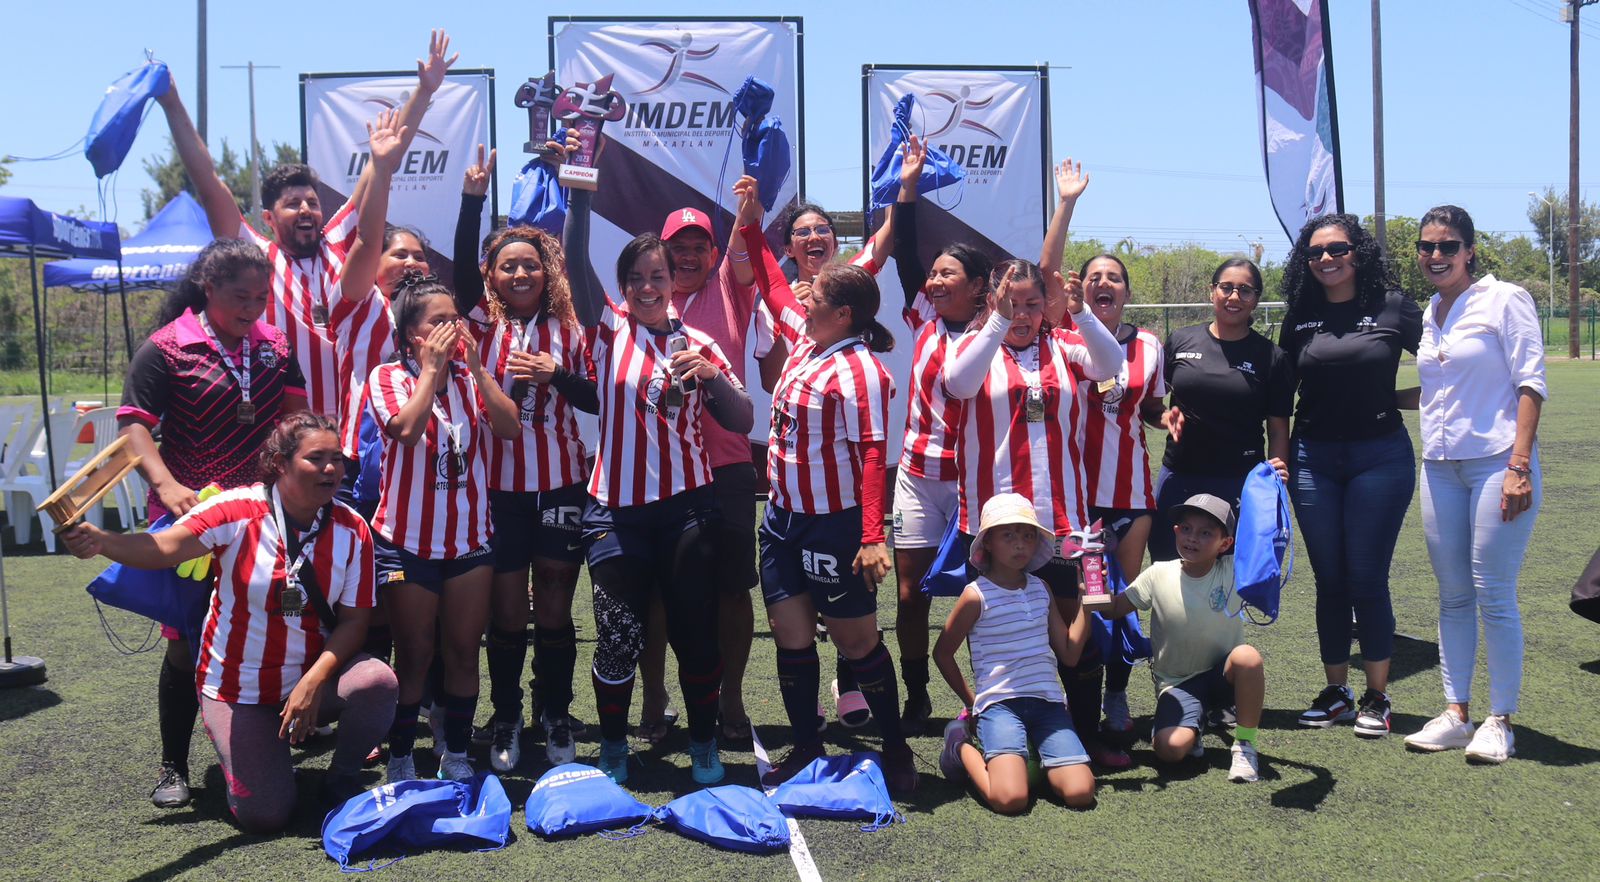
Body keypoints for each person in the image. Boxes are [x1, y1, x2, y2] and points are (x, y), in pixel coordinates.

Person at [63, 413, 396, 833]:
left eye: (337, 458)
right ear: (280, 463)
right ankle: (253, 757)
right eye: (316, 458)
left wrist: (312, 682)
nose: (331, 468)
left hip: (311, 679)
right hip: (239, 687)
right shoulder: (236, 509)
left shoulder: (353, 529)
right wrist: (102, 541)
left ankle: (342, 777)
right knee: (265, 816)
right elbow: (165, 548)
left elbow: (353, 624)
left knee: (376, 681)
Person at [155, 31, 454, 428]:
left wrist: (423, 92)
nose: (305, 210)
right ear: (269, 218)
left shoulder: (341, 241)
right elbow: (209, 183)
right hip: (286, 432)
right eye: (292, 204)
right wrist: (172, 103)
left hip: (358, 429)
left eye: (312, 202)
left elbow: (386, 157)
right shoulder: (255, 257)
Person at [565, 185, 755, 786]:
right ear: (623, 287)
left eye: (659, 275)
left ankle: (703, 745)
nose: (648, 286)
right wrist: (577, 196)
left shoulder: (697, 344)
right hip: (615, 510)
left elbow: (742, 419)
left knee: (696, 633)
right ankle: (615, 747)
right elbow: (573, 264)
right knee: (619, 633)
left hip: (688, 509)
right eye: (637, 277)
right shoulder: (608, 331)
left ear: (673, 282)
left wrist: (712, 380)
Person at [732, 176, 915, 794]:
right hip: (782, 521)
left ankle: (894, 749)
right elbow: (770, 278)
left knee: (859, 641)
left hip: (835, 526)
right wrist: (753, 221)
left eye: (816, 300)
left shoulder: (860, 368)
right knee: (789, 635)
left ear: (844, 314)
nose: (800, 298)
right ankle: (808, 745)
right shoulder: (808, 338)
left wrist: (871, 535)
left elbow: (870, 455)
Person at [117, 238, 307, 808]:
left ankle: (263, 750)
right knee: (187, 645)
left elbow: (293, 418)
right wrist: (166, 484)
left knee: (271, 627)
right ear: (208, 287)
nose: (252, 307)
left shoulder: (274, 345)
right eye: (239, 296)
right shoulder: (167, 348)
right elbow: (133, 429)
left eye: (260, 295)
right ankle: (173, 764)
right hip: (192, 518)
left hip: (261, 518)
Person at [941, 260, 1126, 767]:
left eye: (1030, 303)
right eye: (1010, 302)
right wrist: (996, 321)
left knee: (1077, 640)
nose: (1021, 313)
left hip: (1063, 522)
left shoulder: (1064, 345)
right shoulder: (974, 344)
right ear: (992, 302)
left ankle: (1080, 739)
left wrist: (1081, 310)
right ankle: (994, 728)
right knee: (1000, 637)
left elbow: (1110, 366)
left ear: (1047, 304)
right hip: (995, 525)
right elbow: (957, 384)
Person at [451, 143, 597, 772]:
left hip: (563, 485)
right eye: (507, 267)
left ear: (547, 274)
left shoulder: (572, 328)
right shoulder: (481, 324)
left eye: (530, 267)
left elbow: (597, 400)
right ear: (494, 277)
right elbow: (459, 271)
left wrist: (556, 375)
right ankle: (507, 713)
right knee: (508, 612)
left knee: (559, 606)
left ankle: (555, 712)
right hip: (501, 491)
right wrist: (472, 201)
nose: (519, 276)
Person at [1402, 205, 1546, 764]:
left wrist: (1519, 466)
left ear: (1469, 251)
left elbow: (1530, 383)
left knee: (1494, 594)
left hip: (1496, 465)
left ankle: (1500, 720)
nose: (1435, 255)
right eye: (1427, 246)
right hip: (1439, 466)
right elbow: (1439, 392)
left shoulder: (1505, 299)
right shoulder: (1431, 311)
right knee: (1454, 595)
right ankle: (1456, 712)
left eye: (1447, 246)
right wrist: (1374, 403)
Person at [368, 277, 522, 784]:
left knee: (461, 649)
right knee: (413, 654)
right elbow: (406, 430)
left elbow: (509, 426)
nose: (452, 328)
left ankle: (455, 752)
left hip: (470, 540)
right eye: (438, 321)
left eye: (454, 319)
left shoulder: (469, 377)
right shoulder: (387, 376)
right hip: (407, 541)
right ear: (411, 333)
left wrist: (477, 368)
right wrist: (430, 373)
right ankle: (399, 756)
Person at [1278, 214, 1422, 738]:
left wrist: (1400, 400)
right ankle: (1338, 691)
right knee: (1330, 579)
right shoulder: (1299, 317)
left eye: (1336, 249)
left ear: (1357, 252)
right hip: (1313, 459)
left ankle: (1377, 697)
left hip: (1379, 457)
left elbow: (1449, 366)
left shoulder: (1393, 307)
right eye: (1315, 253)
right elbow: (1278, 395)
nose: (1326, 259)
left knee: (1366, 577)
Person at [933, 493, 1096, 813]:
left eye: (1028, 535)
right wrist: (972, 702)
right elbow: (943, 653)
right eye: (1008, 535)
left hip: (1048, 705)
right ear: (988, 543)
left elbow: (1069, 654)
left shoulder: (1041, 588)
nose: (1020, 543)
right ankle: (960, 745)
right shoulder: (975, 594)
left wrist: (1086, 606)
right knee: (1010, 800)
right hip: (999, 706)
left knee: (1080, 793)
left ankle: (1028, 760)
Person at [1103, 494, 1266, 783]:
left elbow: (1267, 542)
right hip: (1177, 686)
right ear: (1176, 531)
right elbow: (1115, 609)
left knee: (1248, 658)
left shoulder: (1234, 571)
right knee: (1169, 751)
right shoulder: (1158, 574)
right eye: (1187, 528)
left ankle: (1244, 744)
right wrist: (1093, 588)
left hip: (1223, 676)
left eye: (1206, 533)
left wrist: (1270, 491)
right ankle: (1196, 724)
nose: (1193, 538)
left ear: (1225, 544)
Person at [1074, 252, 1167, 736]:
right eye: (1094, 277)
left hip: (1131, 494)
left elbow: (1150, 405)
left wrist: (1164, 416)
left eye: (1113, 278)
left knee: (1121, 599)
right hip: (1075, 499)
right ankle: (1074, 696)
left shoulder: (1149, 345)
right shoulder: (1065, 339)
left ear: (1127, 293)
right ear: (1082, 291)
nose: (1103, 283)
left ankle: (1116, 694)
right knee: (1083, 601)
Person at [1150, 259, 1293, 562]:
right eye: (1226, 287)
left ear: (1256, 299)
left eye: (1245, 290)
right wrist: (1165, 418)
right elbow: (1151, 406)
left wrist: (1276, 480)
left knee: (1229, 575)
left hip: (1238, 480)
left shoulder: (1272, 357)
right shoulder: (1180, 340)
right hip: (1179, 475)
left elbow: (1278, 428)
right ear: (1212, 291)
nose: (1234, 297)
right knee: (1168, 567)